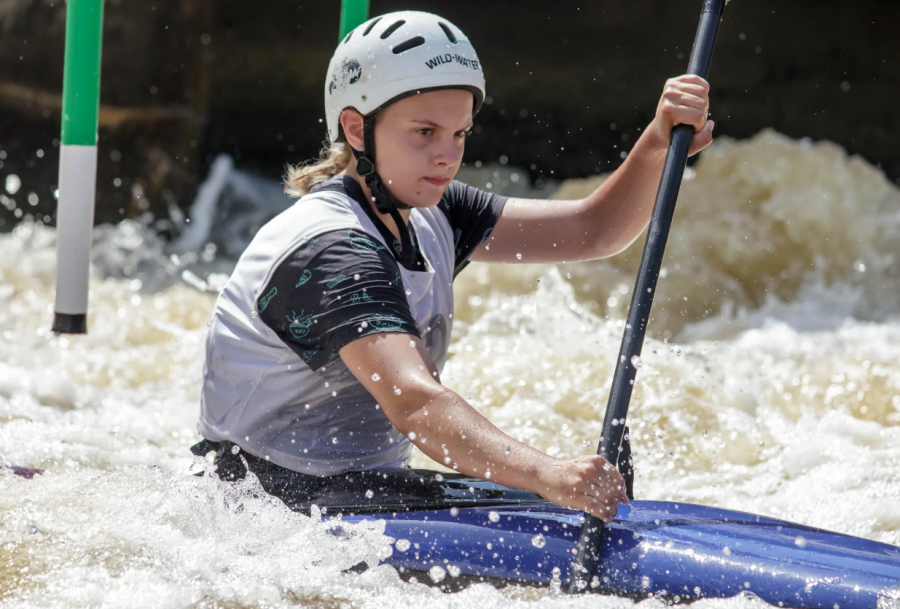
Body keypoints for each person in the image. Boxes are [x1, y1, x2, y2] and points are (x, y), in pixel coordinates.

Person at [193, 11, 712, 521]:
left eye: (460, 133)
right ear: (356, 129)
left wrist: (657, 143)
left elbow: (592, 230)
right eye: (425, 131)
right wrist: (551, 475)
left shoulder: (432, 211)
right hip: (263, 504)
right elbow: (416, 404)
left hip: (360, 488)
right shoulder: (333, 251)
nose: (448, 155)